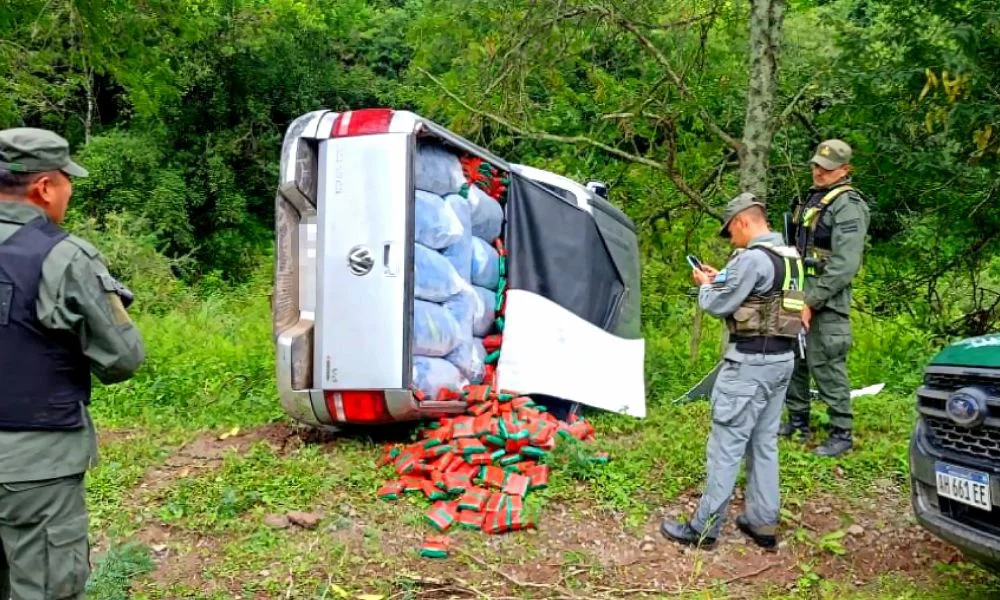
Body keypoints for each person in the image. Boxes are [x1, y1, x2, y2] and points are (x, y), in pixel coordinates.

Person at [0, 127, 145, 599]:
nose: (70, 190)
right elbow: (122, 359)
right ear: (44, 187)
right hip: (33, 465)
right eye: (66, 179)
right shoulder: (63, 257)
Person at [661, 193, 803, 551]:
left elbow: (717, 302)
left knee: (726, 445)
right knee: (764, 442)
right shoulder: (792, 257)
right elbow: (763, 295)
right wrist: (722, 276)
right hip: (782, 362)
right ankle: (762, 522)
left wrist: (706, 285)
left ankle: (704, 528)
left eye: (731, 232)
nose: (732, 240)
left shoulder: (753, 258)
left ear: (742, 221)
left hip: (748, 367)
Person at [780, 139, 870, 458]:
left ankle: (841, 432)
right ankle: (798, 420)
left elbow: (846, 264)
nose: (819, 171)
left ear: (844, 170)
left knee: (826, 361)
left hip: (827, 299)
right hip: (797, 289)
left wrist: (812, 300)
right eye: (817, 165)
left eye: (827, 168)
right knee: (794, 357)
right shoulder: (811, 199)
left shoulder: (849, 206)